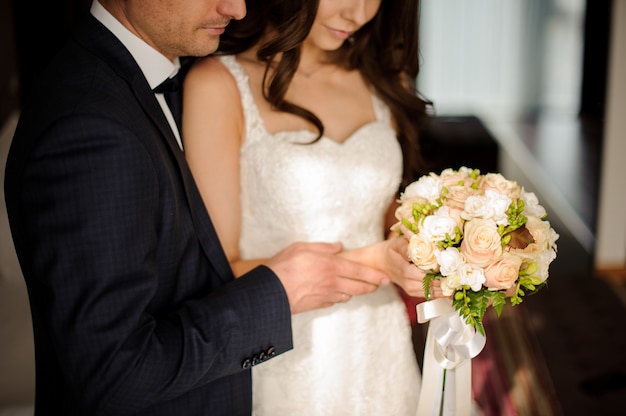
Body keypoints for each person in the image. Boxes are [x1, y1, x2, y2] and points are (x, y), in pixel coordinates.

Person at [2, 1, 407, 414]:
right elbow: (114, 373)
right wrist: (279, 291)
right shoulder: (92, 125)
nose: (237, 7)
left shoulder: (139, 81)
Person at [182, 0, 435, 414]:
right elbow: (221, 267)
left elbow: (381, 206)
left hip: (379, 341)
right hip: (284, 347)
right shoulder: (218, 84)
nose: (359, 14)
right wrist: (379, 262)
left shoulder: (385, 82)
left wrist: (431, 236)